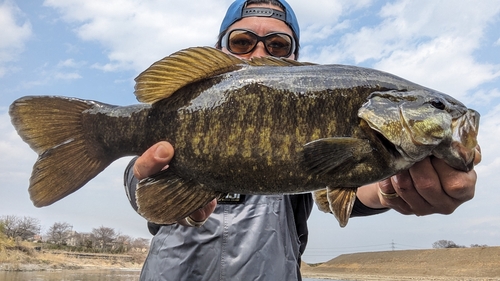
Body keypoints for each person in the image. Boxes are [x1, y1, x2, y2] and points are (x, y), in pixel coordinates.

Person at [124, 0, 481, 280]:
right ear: (218, 50)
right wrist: (145, 182)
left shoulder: (336, 123)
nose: (259, 53)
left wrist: (395, 189)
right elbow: (137, 181)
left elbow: (354, 191)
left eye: (278, 45)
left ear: (296, 58)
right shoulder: (179, 114)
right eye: (242, 42)